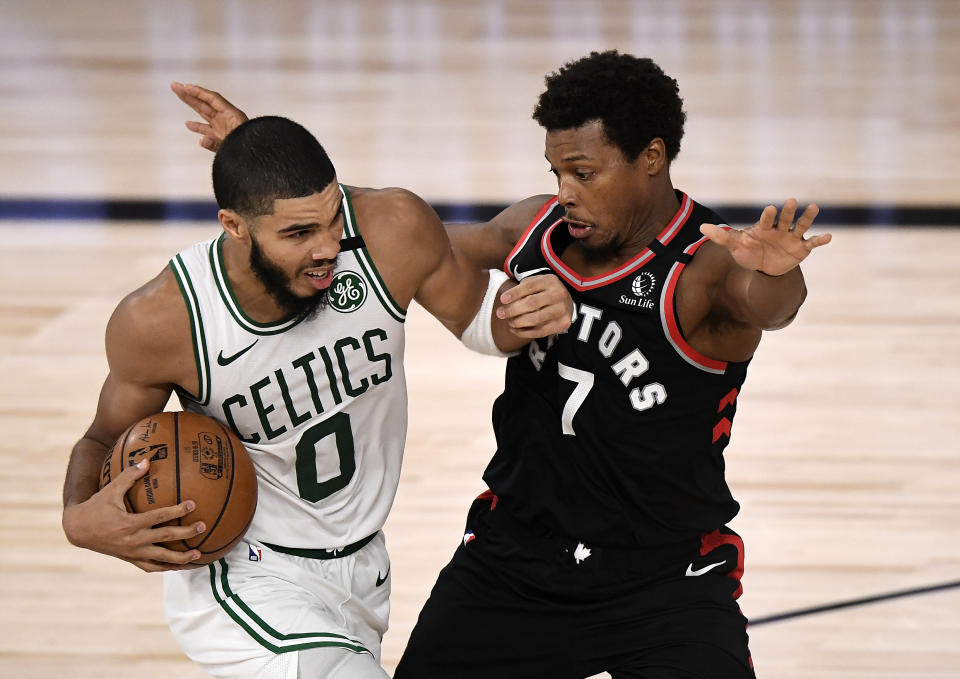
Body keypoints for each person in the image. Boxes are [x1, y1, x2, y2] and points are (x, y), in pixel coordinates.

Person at [169, 49, 832, 679]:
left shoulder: (706, 265)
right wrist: (264, 159)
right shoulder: (534, 230)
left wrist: (778, 275)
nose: (566, 192)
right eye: (557, 174)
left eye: (585, 172)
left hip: (665, 578)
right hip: (518, 562)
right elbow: (405, 237)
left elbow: (768, 306)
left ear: (651, 158)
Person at [61, 115, 572, 679]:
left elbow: (477, 316)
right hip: (247, 577)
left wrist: (525, 308)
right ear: (234, 225)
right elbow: (103, 438)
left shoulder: (388, 230)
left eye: (331, 221)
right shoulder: (164, 318)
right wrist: (77, 519)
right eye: (299, 233)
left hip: (364, 568)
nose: (328, 247)